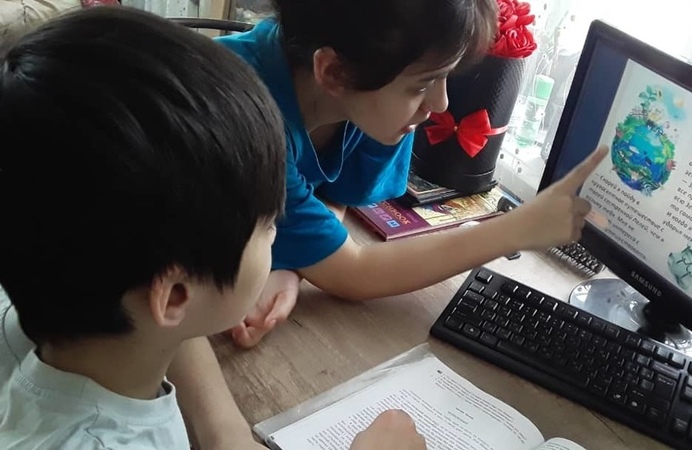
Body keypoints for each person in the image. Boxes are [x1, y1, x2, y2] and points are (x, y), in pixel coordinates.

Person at [0, 7, 426, 450]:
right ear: (176, 295)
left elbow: (145, 295)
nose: (276, 234)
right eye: (267, 224)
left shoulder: (51, 304)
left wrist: (226, 433)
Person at [217, 0, 608, 348]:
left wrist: (297, 260)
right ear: (333, 71)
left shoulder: (364, 89)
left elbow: (334, 195)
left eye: (445, 77)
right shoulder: (247, 121)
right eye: (422, 86)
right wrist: (517, 229)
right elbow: (355, 272)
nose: (440, 104)